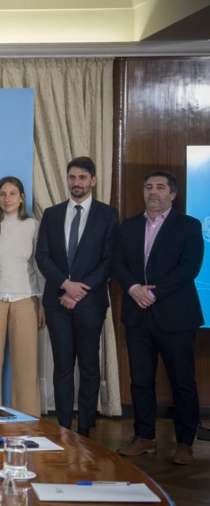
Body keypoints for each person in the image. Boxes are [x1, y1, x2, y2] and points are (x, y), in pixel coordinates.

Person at [114, 171, 202, 465]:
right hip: (137, 316)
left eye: (160, 187)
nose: (154, 191)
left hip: (175, 316)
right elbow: (117, 262)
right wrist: (133, 288)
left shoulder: (189, 226)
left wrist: (154, 292)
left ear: (172, 194)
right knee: (140, 381)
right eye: (149, 186)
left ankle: (185, 444)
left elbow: (190, 267)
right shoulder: (129, 226)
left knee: (182, 382)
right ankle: (144, 437)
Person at [35, 156, 119, 437]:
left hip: (90, 303)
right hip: (57, 302)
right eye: (72, 177)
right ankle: (63, 428)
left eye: (82, 177)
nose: (76, 182)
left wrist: (78, 290)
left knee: (89, 367)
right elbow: (42, 256)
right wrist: (65, 285)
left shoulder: (108, 215)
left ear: (93, 180)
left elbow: (109, 260)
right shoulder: (52, 214)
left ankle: (84, 430)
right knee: (62, 366)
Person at [0, 176, 44, 416]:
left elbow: (38, 266)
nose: (7, 198)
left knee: (26, 366)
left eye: (13, 193)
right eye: (3, 194)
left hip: (26, 300)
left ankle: (27, 419)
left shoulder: (33, 226)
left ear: (22, 197)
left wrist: (42, 301)